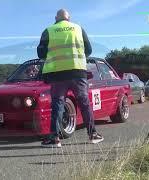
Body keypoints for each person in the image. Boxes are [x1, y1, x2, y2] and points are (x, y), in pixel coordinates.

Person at [37, 9, 104, 148]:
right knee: (84, 104)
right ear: (69, 18)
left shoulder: (49, 30)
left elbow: (40, 53)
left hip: (57, 74)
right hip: (78, 72)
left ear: (56, 18)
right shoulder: (78, 29)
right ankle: (93, 135)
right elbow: (89, 50)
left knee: (58, 105)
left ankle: (54, 138)